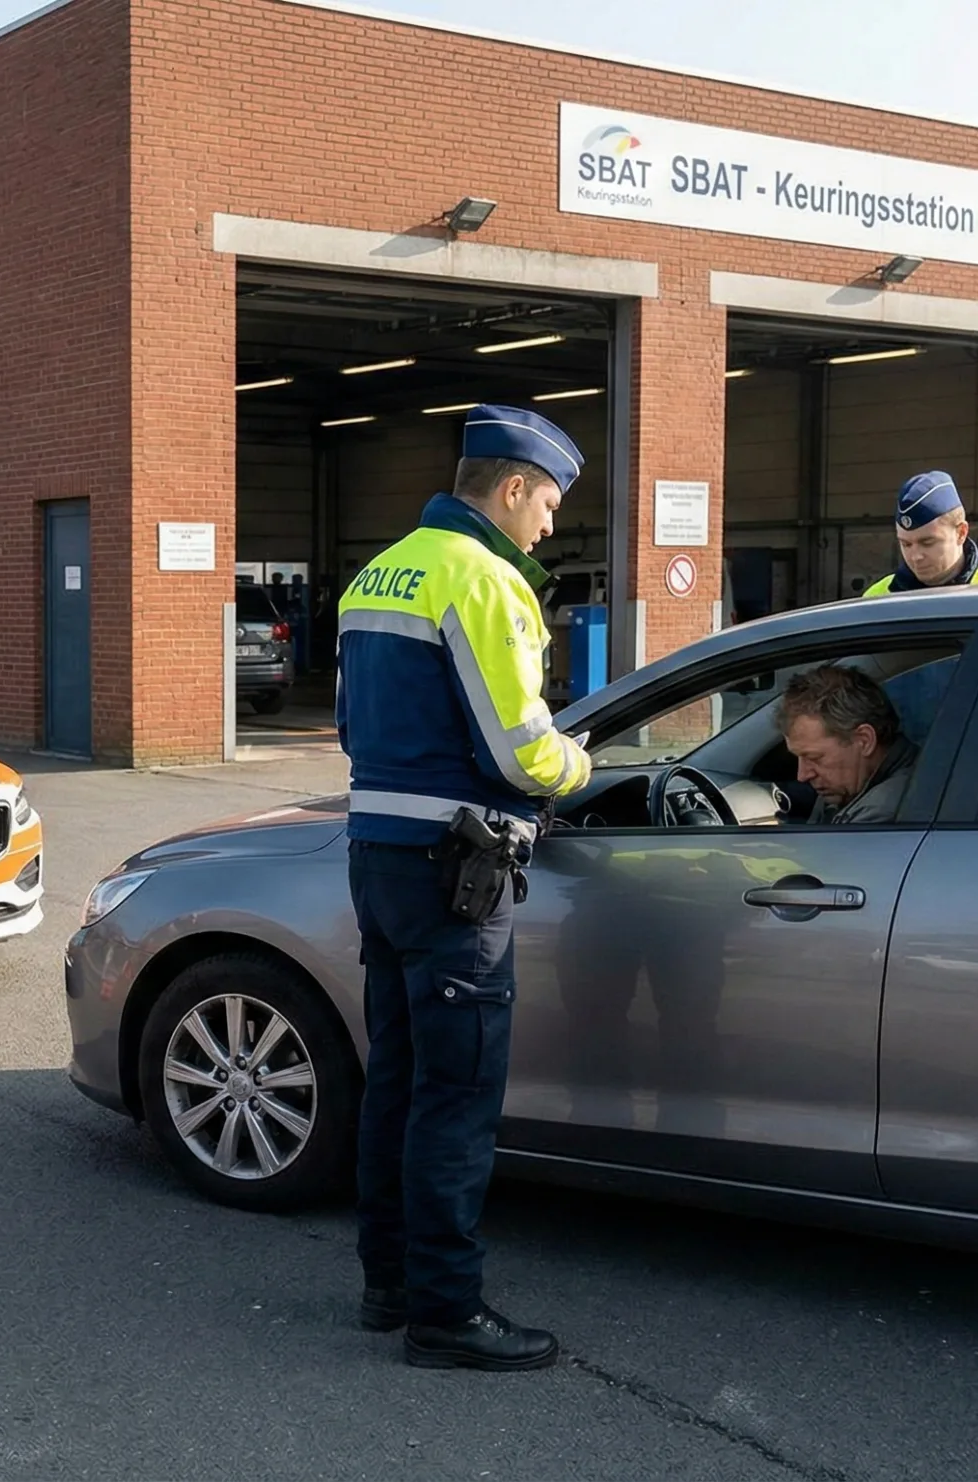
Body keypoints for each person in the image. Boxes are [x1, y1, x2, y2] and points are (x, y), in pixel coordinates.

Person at [335, 404, 593, 1373]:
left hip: (378, 855)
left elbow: (353, 729)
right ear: (513, 487)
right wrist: (580, 766)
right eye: (549, 504)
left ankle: (389, 1284)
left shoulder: (380, 571)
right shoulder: (483, 579)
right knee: (457, 1094)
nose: (551, 525)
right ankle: (447, 1311)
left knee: (397, 1079)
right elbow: (518, 749)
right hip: (459, 873)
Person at [777, 665, 918, 825]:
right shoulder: (848, 788)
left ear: (864, 740)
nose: (802, 775)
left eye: (814, 758)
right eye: (799, 758)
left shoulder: (881, 816)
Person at [862, 471, 978, 597]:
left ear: (961, 533)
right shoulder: (877, 598)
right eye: (906, 544)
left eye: (927, 543)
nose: (915, 556)